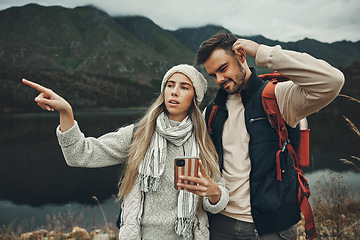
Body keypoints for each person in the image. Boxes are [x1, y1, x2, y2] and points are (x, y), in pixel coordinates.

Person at [23, 64, 229, 240]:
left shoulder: (203, 142)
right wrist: (66, 112)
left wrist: (214, 193)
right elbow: (80, 154)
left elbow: (218, 201)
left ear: (195, 97)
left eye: (184, 87)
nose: (174, 91)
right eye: (170, 85)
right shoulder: (138, 135)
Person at [195, 31, 345, 240]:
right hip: (220, 224)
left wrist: (263, 52)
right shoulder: (211, 112)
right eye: (213, 75)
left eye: (223, 69)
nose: (219, 79)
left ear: (241, 56)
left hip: (271, 229)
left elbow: (332, 80)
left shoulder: (278, 97)